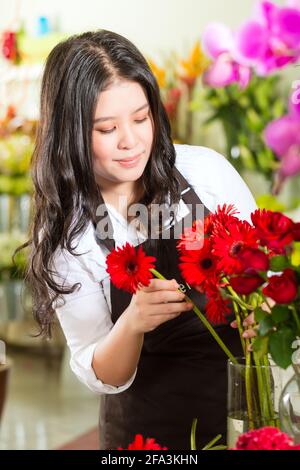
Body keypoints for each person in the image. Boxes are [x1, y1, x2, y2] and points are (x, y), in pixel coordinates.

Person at [19, 30, 257, 450]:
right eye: (107, 128)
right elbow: (101, 373)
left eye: (141, 118)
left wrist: (260, 304)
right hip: (148, 437)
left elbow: (263, 270)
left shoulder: (206, 173)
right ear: (71, 132)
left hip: (246, 414)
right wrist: (133, 322)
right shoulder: (68, 234)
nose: (131, 142)